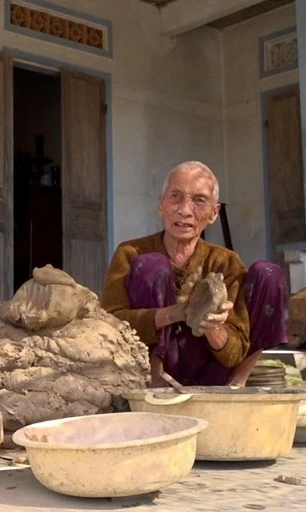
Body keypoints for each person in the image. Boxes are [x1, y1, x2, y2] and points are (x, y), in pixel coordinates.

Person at [101, 161, 289, 387]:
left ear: (214, 213)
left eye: (199, 200)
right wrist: (175, 313)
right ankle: (155, 376)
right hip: (147, 372)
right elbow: (109, 322)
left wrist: (212, 326)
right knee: (152, 264)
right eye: (175, 197)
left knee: (268, 273)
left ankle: (238, 382)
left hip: (214, 373)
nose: (185, 210)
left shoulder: (226, 263)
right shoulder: (130, 253)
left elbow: (233, 352)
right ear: (161, 205)